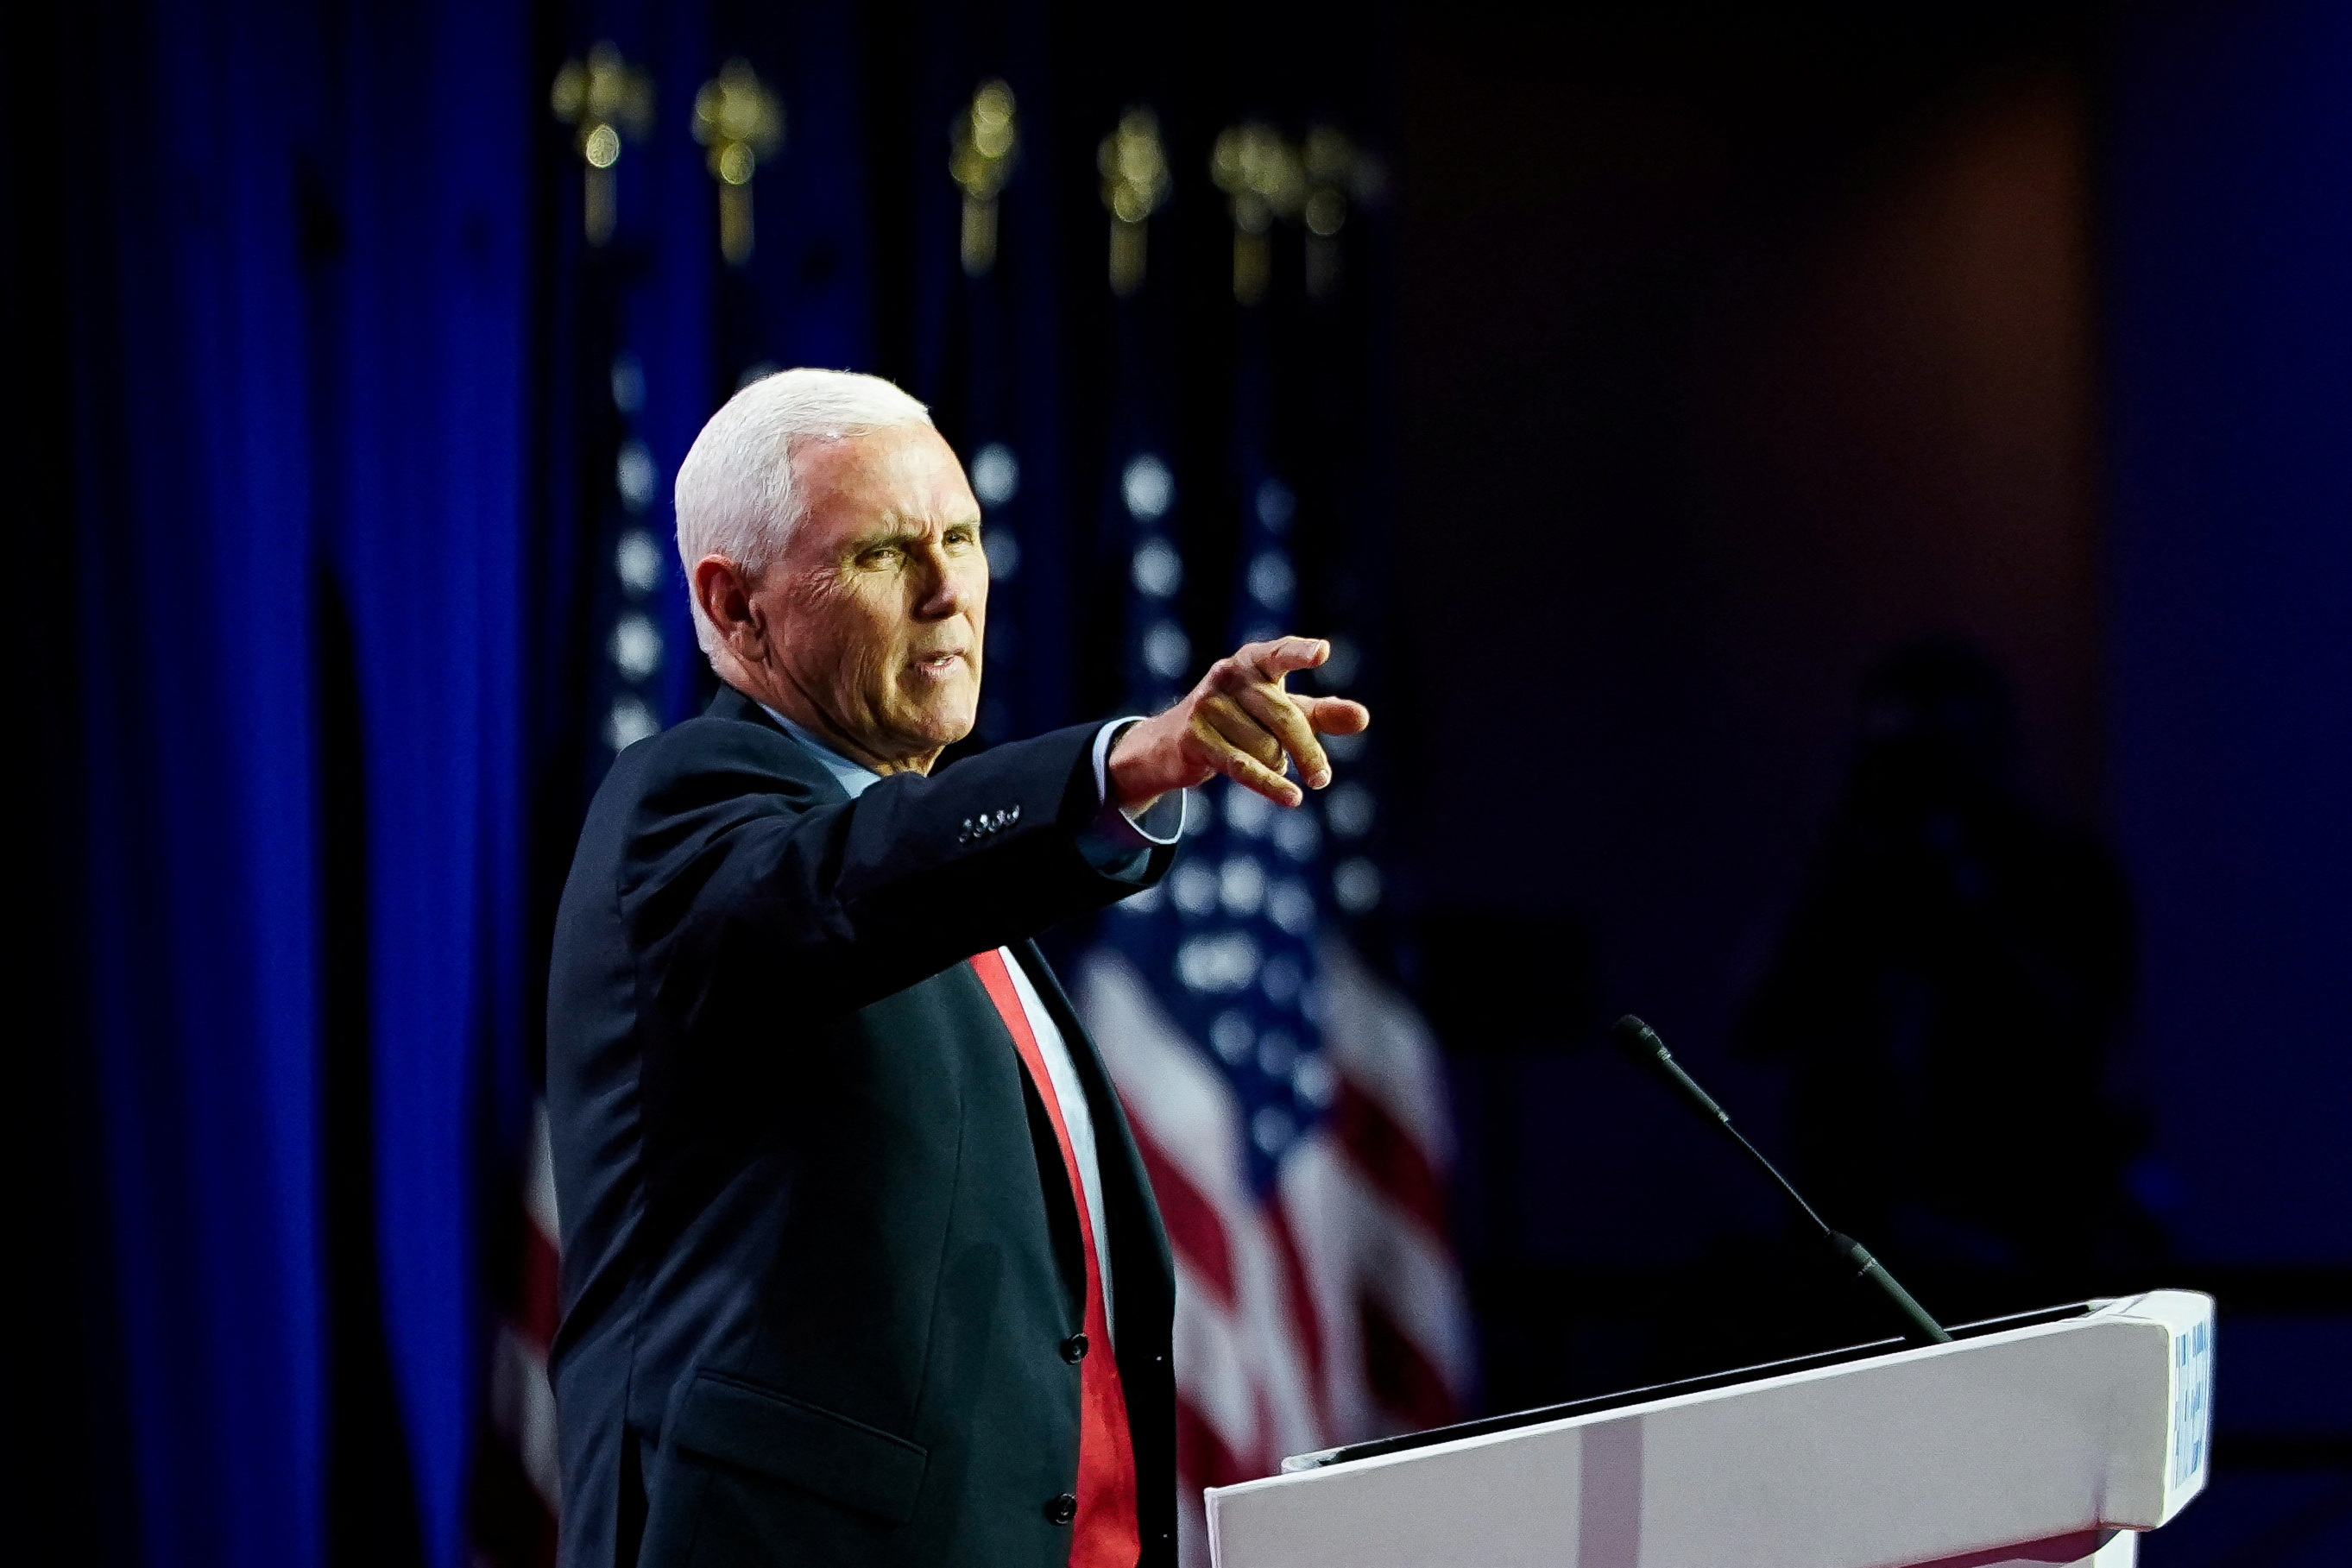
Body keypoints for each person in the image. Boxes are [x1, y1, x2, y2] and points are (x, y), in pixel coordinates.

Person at [545, 368, 1368, 1568]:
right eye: (884, 554)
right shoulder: (683, 820)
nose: (948, 593)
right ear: (735, 608)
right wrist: (1120, 764)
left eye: (963, 538)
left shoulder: (945, 864)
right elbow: (850, 884)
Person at [1736, 638, 2150, 1296]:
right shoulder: (1853, 872)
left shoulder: (2060, 872)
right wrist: (1848, 870)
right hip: (1856, 1228)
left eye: (1940, 757)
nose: (1916, 782)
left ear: (1989, 753)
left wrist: (1966, 896)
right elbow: (1755, 1022)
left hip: (2021, 1213)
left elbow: (2084, 1037)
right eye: (1895, 759)